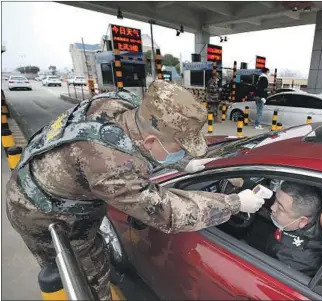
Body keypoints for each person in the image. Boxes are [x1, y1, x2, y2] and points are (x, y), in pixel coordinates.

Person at [5, 80, 266, 300]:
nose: (183, 152)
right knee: (86, 276)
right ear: (152, 140)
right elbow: (168, 212)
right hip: (42, 212)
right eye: (181, 148)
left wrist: (184, 162)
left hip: (53, 180)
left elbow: (138, 142)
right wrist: (235, 204)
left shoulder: (122, 105)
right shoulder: (111, 167)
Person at [265, 181, 322, 277]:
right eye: (276, 200)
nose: (272, 207)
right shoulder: (318, 210)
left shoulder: (295, 261)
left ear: (302, 221)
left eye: (280, 208)